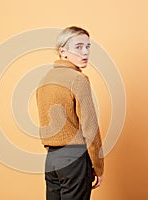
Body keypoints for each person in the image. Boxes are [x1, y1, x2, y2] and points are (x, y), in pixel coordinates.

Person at [36, 26, 104, 200]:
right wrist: (98, 166)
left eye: (88, 47)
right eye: (78, 47)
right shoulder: (78, 79)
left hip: (52, 160)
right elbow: (90, 128)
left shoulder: (45, 79)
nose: (85, 52)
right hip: (75, 158)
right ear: (63, 51)